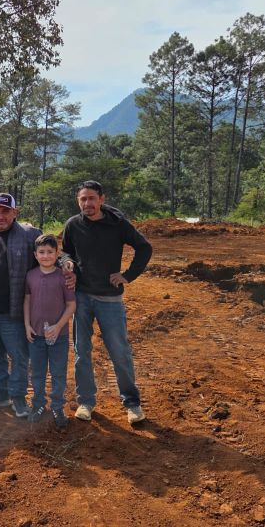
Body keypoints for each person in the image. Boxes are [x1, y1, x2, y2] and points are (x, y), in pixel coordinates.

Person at [62, 180, 152, 425]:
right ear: (78, 201)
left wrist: (127, 275)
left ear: (101, 199)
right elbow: (66, 251)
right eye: (83, 199)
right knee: (82, 352)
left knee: (119, 351)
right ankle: (86, 402)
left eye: (91, 198)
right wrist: (67, 263)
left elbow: (144, 247)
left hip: (109, 299)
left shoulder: (117, 224)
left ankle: (132, 403)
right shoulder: (73, 225)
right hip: (81, 297)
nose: (87, 204)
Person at [0, 193, 41, 418]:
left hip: (13, 310)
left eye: (5, 211)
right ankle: (0, 392)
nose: (0, 216)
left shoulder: (29, 234)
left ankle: (19, 397)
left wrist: (67, 266)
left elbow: (50, 255)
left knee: (19, 355)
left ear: (15, 212)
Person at [23, 234, 76, 427]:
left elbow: (71, 305)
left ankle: (57, 405)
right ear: (35, 255)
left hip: (59, 335)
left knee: (58, 372)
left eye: (50, 252)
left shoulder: (64, 277)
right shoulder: (30, 275)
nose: (46, 256)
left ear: (57, 254)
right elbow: (27, 301)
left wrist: (59, 326)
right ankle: (38, 404)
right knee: (36, 372)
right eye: (42, 252)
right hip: (36, 334)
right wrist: (27, 325)